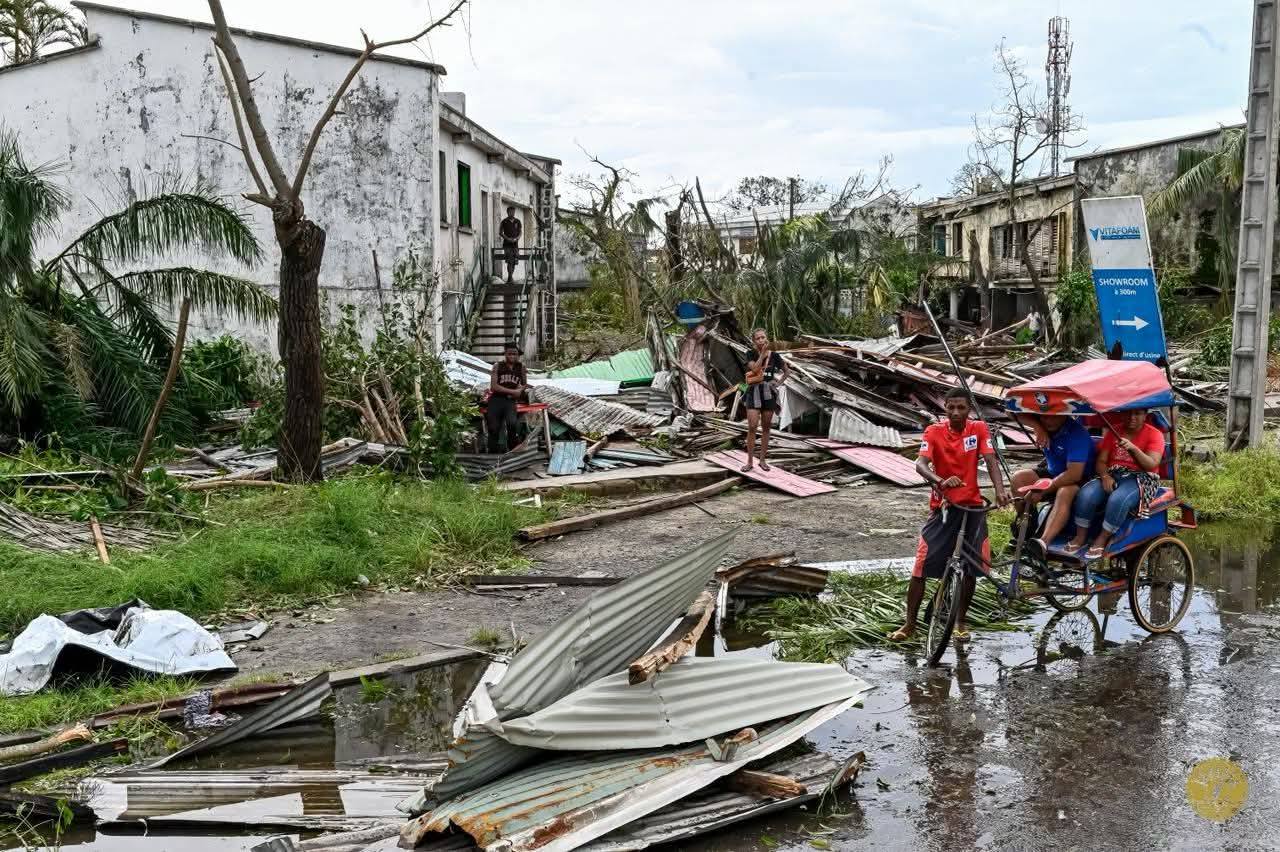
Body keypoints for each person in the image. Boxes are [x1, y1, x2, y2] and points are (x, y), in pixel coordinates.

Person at [889, 388, 1009, 643]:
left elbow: (990, 461)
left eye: (961, 408)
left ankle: (960, 622)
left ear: (969, 409)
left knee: (971, 568)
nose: (955, 413)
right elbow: (920, 464)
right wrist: (940, 481)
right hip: (944, 507)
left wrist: (1000, 491)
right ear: (945, 408)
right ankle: (909, 624)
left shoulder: (978, 429)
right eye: (951, 408)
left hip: (973, 507)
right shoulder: (933, 432)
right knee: (921, 566)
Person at [1066, 408, 1165, 560]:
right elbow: (1101, 461)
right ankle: (1080, 537)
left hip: (1141, 478)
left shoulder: (1154, 434)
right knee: (1086, 494)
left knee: (1118, 499)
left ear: (1145, 415)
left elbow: (1151, 464)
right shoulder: (1114, 431)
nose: (1132, 417)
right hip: (1113, 473)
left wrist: (1133, 449)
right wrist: (1105, 476)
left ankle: (1102, 538)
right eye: (1128, 413)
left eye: (1137, 413)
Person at [1010, 413, 1095, 554]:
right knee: (1019, 479)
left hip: (1080, 478)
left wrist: (1044, 490)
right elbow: (1011, 413)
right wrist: (1037, 426)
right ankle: (1026, 527)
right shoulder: (1043, 423)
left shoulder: (1077, 434)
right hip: (1053, 471)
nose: (1048, 420)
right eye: (1044, 416)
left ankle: (1043, 542)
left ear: (1065, 415)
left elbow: (1074, 474)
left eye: (1053, 416)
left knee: (1064, 492)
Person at [741, 328, 789, 472]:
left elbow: (787, 371)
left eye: (763, 337)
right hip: (753, 391)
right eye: (758, 338)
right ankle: (749, 461)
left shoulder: (775, 356)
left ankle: (762, 460)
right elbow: (755, 370)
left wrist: (778, 384)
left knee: (766, 427)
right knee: (752, 426)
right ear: (754, 341)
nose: (761, 340)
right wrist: (762, 354)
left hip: (769, 393)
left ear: (766, 338)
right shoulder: (750, 353)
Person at [486, 343, 526, 453]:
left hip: (510, 401)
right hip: (496, 400)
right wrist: (513, 391)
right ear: (505, 354)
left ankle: (513, 451)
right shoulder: (497, 366)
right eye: (510, 354)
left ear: (518, 355)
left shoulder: (521, 367)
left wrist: (520, 390)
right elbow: (494, 387)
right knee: (493, 427)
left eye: (515, 354)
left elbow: (524, 384)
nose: (512, 356)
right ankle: (492, 453)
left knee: (512, 424)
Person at [499, 206, 523, 285]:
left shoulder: (518, 221)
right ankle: (510, 277)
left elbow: (520, 232)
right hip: (507, 244)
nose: (512, 213)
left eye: (513, 212)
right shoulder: (504, 221)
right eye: (510, 212)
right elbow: (500, 233)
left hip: (515, 244)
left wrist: (517, 238)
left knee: (515, 260)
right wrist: (507, 238)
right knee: (509, 260)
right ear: (507, 212)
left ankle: (510, 276)